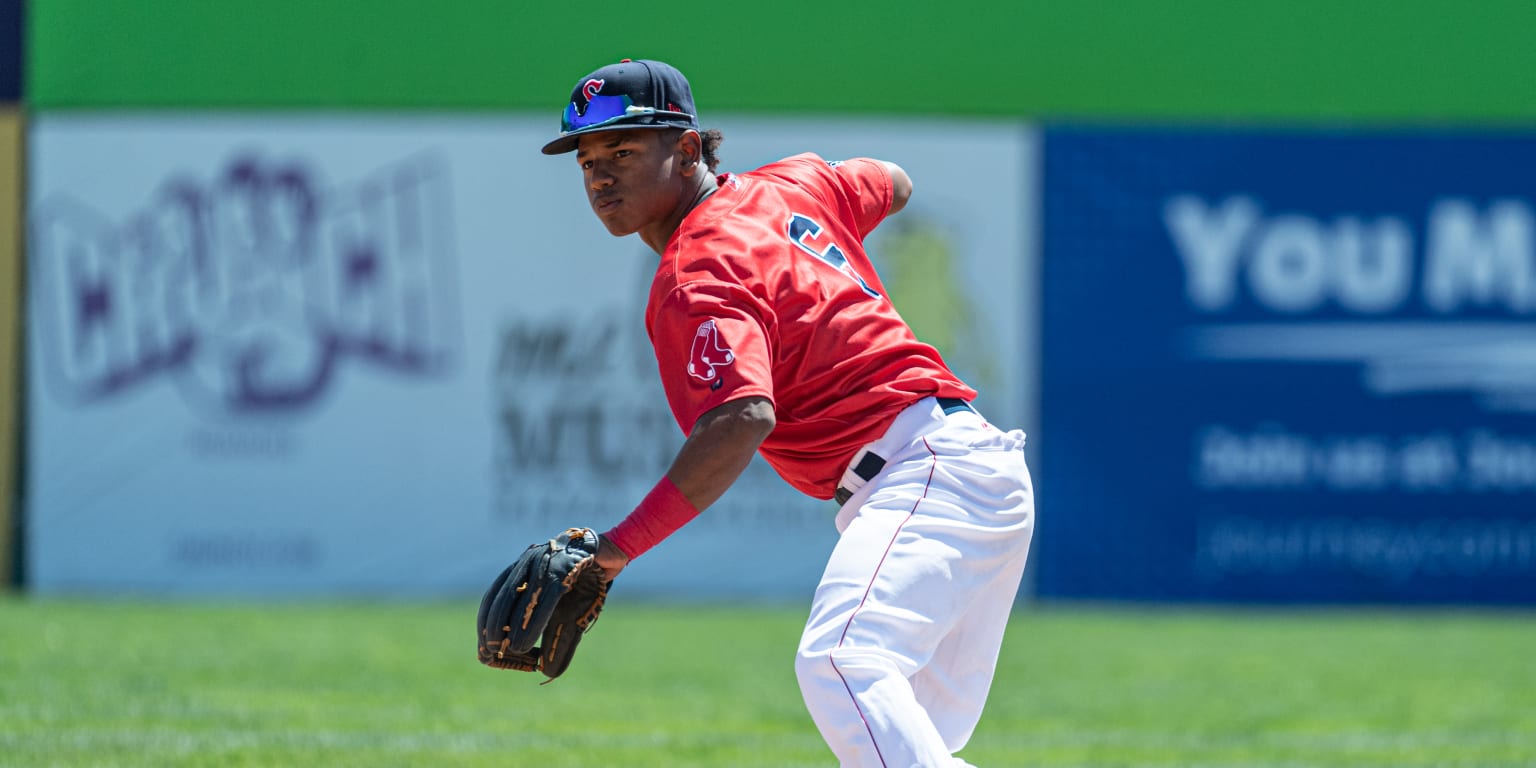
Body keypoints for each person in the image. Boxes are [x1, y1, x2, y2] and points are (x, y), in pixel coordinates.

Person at [541, 58, 1036, 768]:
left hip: (925, 474)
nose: (600, 176)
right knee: (904, 738)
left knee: (841, 659)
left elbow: (741, 417)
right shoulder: (792, 184)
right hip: (964, 467)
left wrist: (618, 549)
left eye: (623, 151)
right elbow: (894, 181)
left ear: (686, 150)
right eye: (587, 160)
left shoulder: (697, 269)